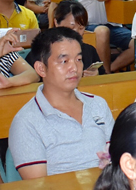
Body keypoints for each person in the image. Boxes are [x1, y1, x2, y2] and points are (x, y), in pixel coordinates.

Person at [9, 28, 115, 180]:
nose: (74, 68)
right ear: (41, 68)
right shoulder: (26, 122)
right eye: (64, 61)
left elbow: (115, 160)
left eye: (78, 59)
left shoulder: (98, 104)